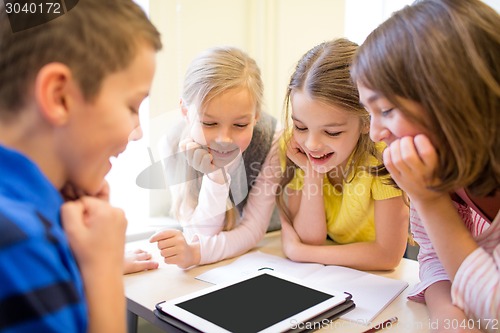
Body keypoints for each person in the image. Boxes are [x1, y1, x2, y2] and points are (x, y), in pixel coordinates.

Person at [0, 0, 161, 332]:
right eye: (132, 106)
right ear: (59, 96)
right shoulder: (20, 244)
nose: (138, 131)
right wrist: (103, 268)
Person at [351, 0, 499, 331]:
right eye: (369, 113)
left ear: (453, 98)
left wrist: (429, 199)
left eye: (387, 109)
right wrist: (448, 312)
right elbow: (433, 255)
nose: (375, 133)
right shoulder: (435, 167)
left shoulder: (427, 184)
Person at [276, 38, 409, 271]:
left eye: (332, 132)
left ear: (367, 121)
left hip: (375, 273)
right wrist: (312, 172)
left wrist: (301, 252)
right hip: (332, 267)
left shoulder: (383, 155)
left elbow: (388, 256)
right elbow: (310, 237)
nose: (312, 144)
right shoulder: (295, 147)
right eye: (301, 126)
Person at [150, 46, 281, 268]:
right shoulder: (171, 145)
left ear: (256, 116)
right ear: (185, 111)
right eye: (209, 123)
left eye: (240, 125)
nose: (224, 139)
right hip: (221, 259)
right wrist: (216, 177)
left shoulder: (273, 139)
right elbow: (198, 235)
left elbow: (253, 230)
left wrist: (196, 255)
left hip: (268, 246)